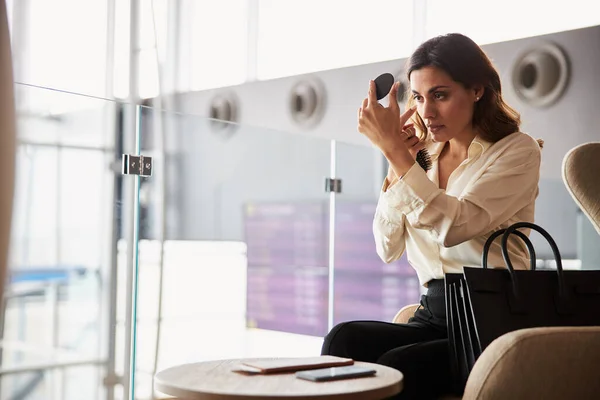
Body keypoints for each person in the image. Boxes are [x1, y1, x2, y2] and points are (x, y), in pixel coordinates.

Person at [320, 33, 542, 399]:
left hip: (491, 318)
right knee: (345, 339)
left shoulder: (517, 151)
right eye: (419, 97)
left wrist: (395, 151)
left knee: (397, 365)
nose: (426, 112)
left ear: (476, 90)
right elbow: (386, 247)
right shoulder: (421, 156)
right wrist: (397, 163)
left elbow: (455, 226)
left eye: (440, 95)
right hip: (434, 311)